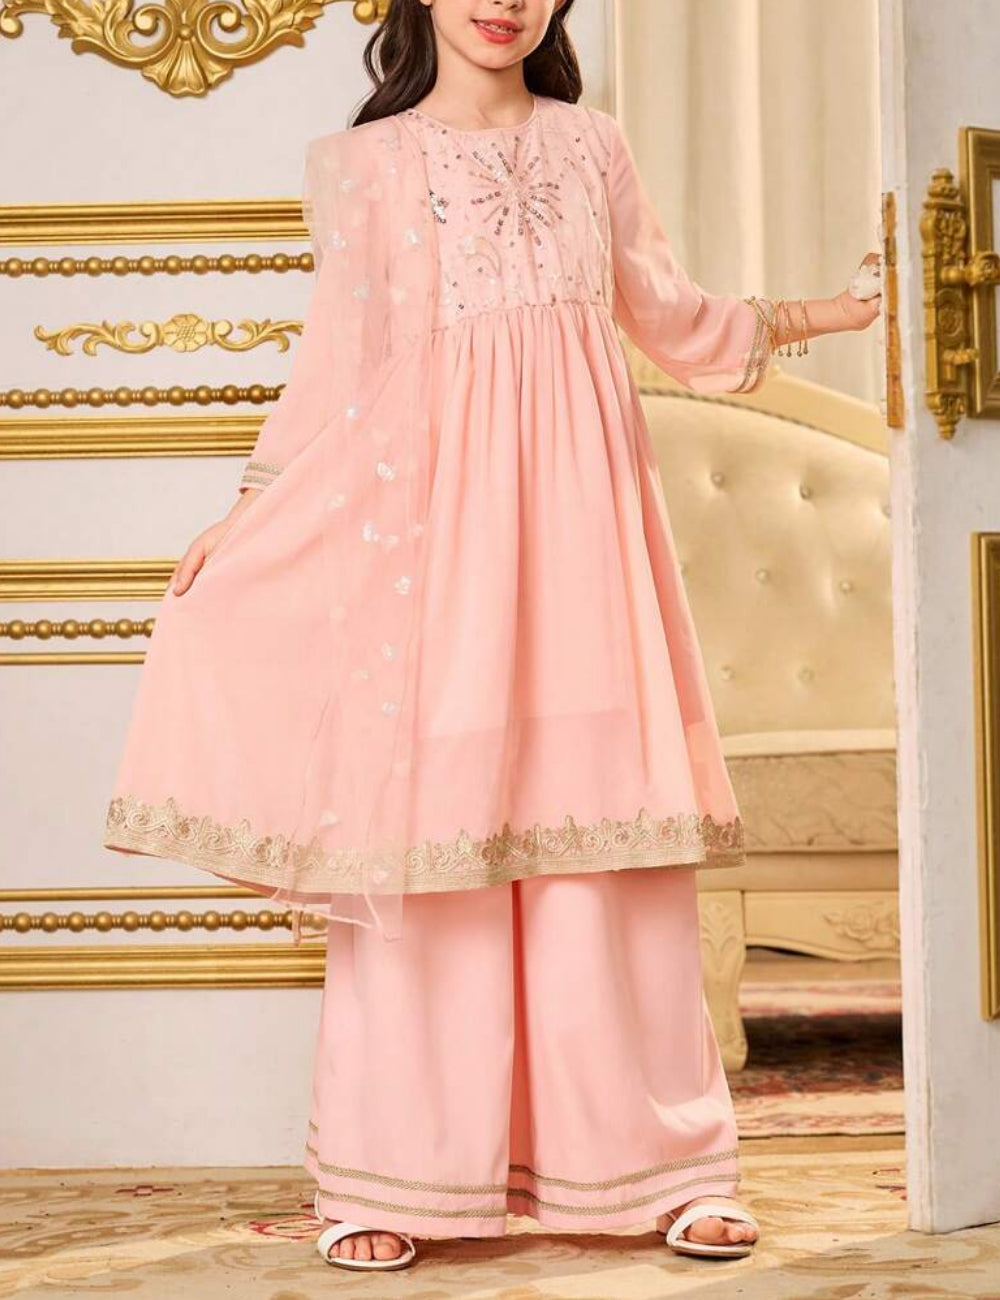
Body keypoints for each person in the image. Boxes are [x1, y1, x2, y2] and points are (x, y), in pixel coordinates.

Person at [102, 0, 882, 1274]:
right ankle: (394, 1174)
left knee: (601, 842)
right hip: (436, 551)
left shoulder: (590, 145)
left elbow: (671, 315)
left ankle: (666, 1170)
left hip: (584, 544)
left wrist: (831, 313)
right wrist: (249, 514)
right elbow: (336, 366)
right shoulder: (365, 163)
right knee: (436, 850)